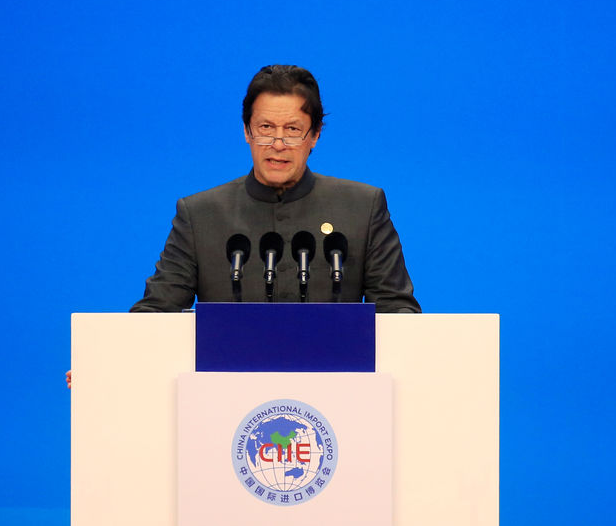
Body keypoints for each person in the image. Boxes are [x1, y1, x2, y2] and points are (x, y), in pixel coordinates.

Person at [67, 65, 419, 389]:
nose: (277, 144)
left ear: (315, 135)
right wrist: (105, 362)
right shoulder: (201, 214)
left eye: (293, 130)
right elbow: (157, 312)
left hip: (343, 401)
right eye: (265, 128)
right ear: (247, 131)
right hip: (224, 409)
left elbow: (398, 315)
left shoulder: (362, 207)